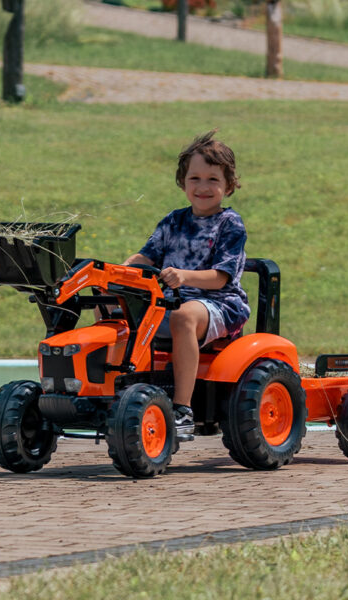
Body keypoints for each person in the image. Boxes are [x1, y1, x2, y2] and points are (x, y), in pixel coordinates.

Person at [123, 130, 250, 434]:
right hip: (171, 303)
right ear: (183, 181)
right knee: (116, 308)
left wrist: (182, 276)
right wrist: (120, 269)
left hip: (219, 306)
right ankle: (121, 387)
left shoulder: (230, 224)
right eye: (195, 179)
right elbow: (146, 257)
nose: (203, 187)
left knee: (183, 316)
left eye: (212, 180)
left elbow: (220, 278)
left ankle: (182, 410)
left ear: (228, 185)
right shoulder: (172, 221)